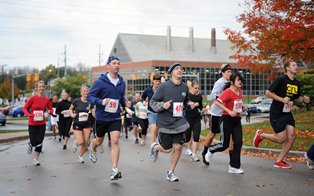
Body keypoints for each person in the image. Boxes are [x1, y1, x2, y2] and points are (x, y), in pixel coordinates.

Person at [253, 60, 310, 169]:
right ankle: (261, 135)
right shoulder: (281, 80)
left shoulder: (296, 83)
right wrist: (282, 99)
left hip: (287, 113)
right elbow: (268, 93)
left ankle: (279, 160)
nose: (296, 67)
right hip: (277, 112)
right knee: (281, 139)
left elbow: (296, 97)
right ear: (287, 68)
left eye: (296, 65)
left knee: (292, 136)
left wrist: (304, 100)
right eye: (294, 65)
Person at [150, 63, 197, 182]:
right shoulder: (164, 86)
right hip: (165, 122)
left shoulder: (185, 87)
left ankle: (171, 172)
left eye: (181, 69)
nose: (180, 70)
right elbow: (153, 102)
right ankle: (155, 147)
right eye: (177, 69)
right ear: (171, 72)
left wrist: (189, 104)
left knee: (178, 147)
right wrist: (163, 105)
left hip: (179, 122)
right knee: (167, 149)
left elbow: (185, 101)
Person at [87, 55, 126, 180]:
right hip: (102, 118)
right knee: (98, 141)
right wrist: (100, 102)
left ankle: (114, 169)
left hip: (115, 117)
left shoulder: (122, 82)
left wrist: (126, 105)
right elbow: (90, 97)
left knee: (115, 140)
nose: (116, 65)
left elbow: (120, 98)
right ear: (108, 66)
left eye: (118, 63)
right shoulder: (100, 81)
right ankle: (92, 148)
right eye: (114, 63)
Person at [205, 73, 245, 174]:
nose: (240, 82)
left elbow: (237, 103)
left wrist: (242, 107)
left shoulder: (240, 91)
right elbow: (217, 102)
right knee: (225, 144)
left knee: (238, 142)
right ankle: (210, 150)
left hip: (236, 120)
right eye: (238, 80)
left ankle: (234, 167)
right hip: (226, 119)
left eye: (241, 80)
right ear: (232, 82)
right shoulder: (227, 92)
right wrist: (228, 111)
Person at [202, 64, 233, 166]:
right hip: (217, 113)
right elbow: (210, 97)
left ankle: (233, 161)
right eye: (228, 72)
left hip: (227, 114)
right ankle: (204, 152)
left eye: (231, 71)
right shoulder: (219, 83)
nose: (230, 73)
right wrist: (221, 96)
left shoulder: (232, 82)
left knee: (230, 137)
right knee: (212, 134)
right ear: (222, 73)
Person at [22, 81, 53, 166]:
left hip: (41, 124)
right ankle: (31, 144)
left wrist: (50, 111)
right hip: (32, 124)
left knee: (40, 141)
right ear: (37, 88)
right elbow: (24, 108)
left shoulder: (46, 99)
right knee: (34, 142)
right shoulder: (32, 98)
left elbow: (50, 109)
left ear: (44, 88)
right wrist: (30, 115)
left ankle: (35, 159)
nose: (41, 88)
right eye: (40, 87)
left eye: (43, 87)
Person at [70, 85, 94, 163]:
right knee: (80, 142)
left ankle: (80, 156)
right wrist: (71, 114)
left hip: (87, 124)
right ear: (81, 92)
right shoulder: (76, 101)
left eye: (87, 91)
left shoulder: (90, 102)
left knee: (86, 142)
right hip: (77, 123)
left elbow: (94, 114)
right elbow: (71, 109)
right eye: (84, 91)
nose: (85, 93)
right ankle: (76, 143)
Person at [184, 80, 203, 162]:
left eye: (198, 88)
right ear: (191, 87)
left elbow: (201, 107)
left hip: (197, 119)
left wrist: (201, 109)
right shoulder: (187, 95)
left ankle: (194, 155)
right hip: (188, 118)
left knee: (196, 136)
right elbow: (184, 107)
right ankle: (184, 146)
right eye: (195, 88)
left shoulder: (199, 97)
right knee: (187, 138)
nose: (197, 89)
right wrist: (190, 106)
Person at [142, 74, 161, 144]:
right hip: (151, 112)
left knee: (157, 130)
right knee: (153, 128)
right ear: (153, 81)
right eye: (156, 81)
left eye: (159, 81)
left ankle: (155, 144)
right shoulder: (148, 90)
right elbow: (143, 97)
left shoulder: (162, 89)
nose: (157, 83)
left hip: (160, 113)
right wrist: (144, 101)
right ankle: (152, 148)